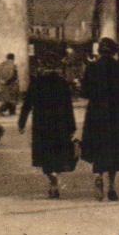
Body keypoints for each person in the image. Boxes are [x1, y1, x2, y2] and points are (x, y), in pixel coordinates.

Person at [78, 38, 119, 201]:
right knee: (115, 150)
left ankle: (98, 175)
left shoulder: (92, 68)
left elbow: (84, 93)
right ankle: (112, 186)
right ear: (114, 51)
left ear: (100, 51)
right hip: (116, 114)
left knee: (97, 146)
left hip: (96, 114)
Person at [17, 56, 78, 198]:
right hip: (59, 124)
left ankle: (51, 179)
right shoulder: (62, 83)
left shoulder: (36, 83)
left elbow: (27, 105)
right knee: (57, 154)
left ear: (42, 66)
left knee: (44, 156)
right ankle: (55, 178)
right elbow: (68, 106)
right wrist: (72, 126)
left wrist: (21, 122)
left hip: (41, 124)